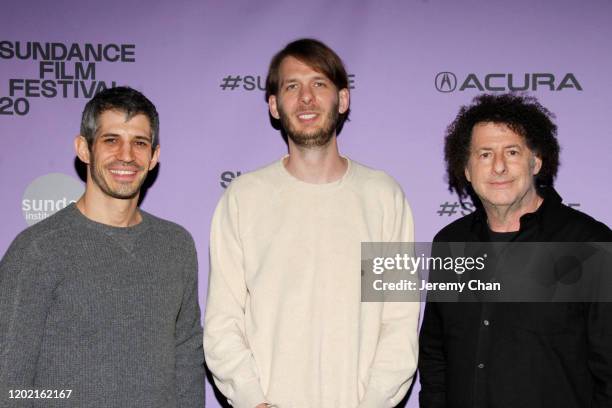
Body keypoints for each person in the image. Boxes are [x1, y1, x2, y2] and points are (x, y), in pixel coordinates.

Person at [204, 38, 419, 408]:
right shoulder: (243, 198)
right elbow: (223, 322)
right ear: (274, 105)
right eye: (292, 86)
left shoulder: (384, 198)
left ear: (343, 99)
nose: (306, 98)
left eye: (319, 84)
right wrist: (254, 401)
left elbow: (399, 323)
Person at [0, 86, 205, 408]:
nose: (126, 155)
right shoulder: (38, 250)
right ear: (84, 149)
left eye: (139, 143)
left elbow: (187, 356)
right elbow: (8, 382)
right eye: (111, 140)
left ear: (154, 156)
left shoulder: (175, 245)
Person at [418, 93, 612, 407]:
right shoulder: (450, 244)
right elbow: (435, 355)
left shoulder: (589, 243)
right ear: (466, 169)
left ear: (536, 161)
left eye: (511, 152)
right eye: (484, 154)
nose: (498, 167)